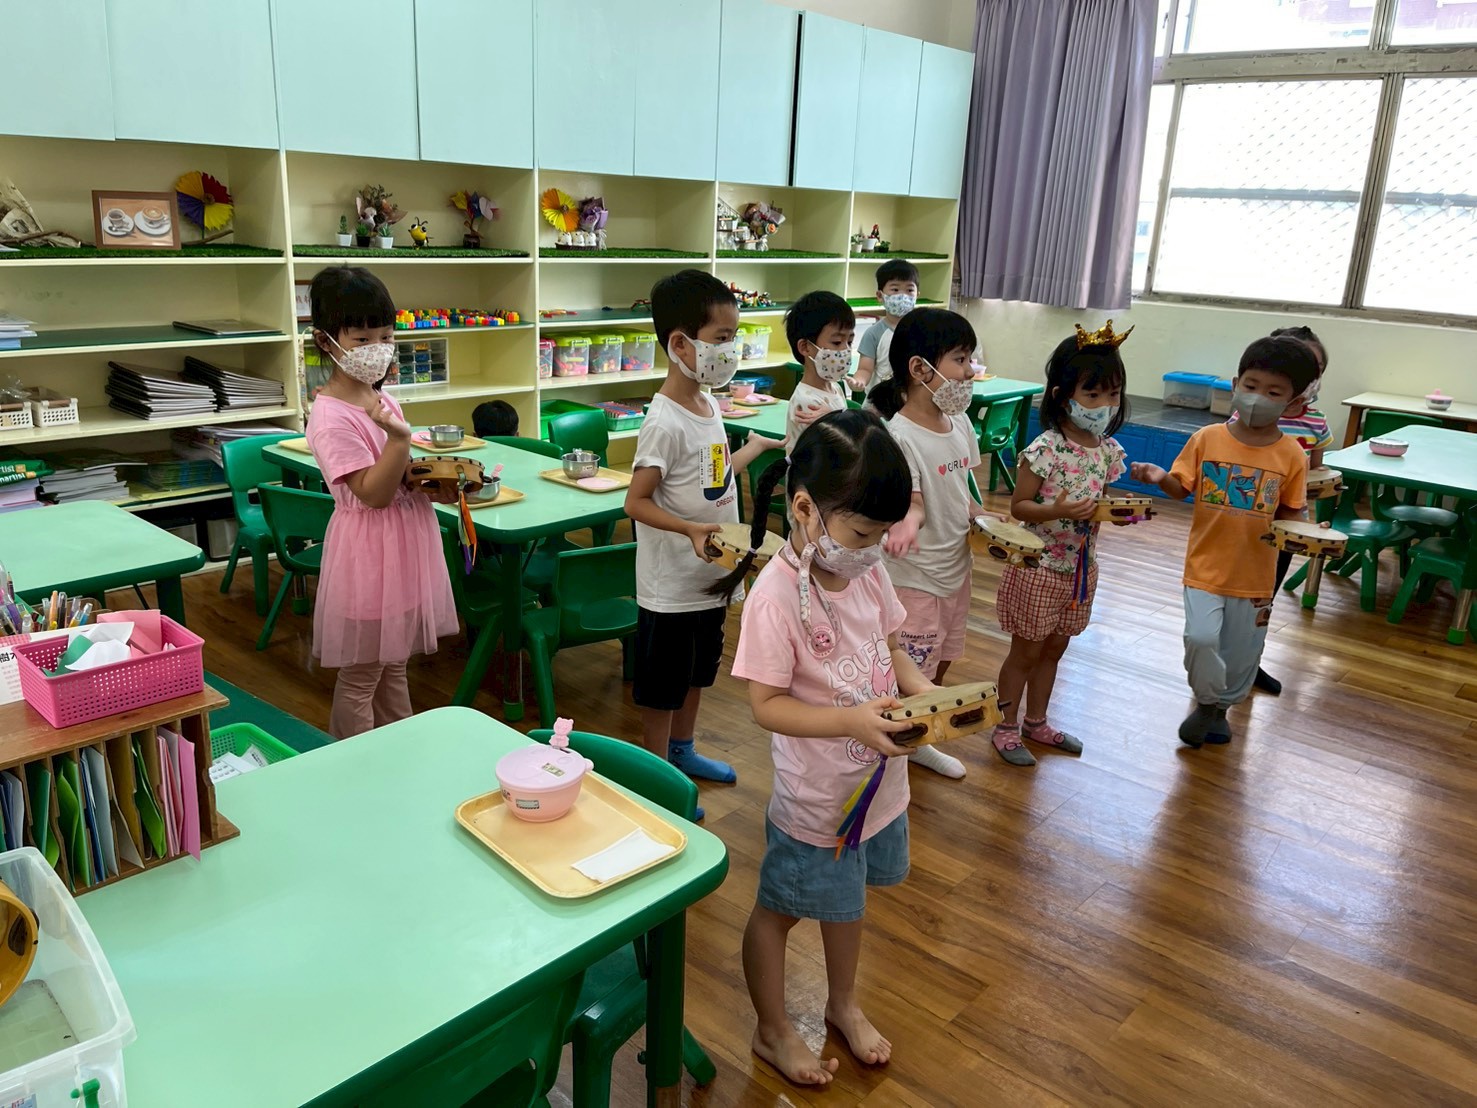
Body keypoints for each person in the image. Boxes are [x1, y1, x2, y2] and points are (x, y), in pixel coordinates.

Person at [723, 409, 932, 1087]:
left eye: (880, 534)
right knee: (779, 911)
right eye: (863, 533)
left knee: (849, 903)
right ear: (804, 508)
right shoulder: (775, 597)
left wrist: (927, 694)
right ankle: (771, 1029)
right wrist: (849, 723)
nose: (873, 548)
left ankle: (842, 1002)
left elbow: (893, 648)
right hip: (816, 802)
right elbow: (765, 706)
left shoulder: (865, 570)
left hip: (876, 786)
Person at [624, 270, 783, 811]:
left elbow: (710, 480)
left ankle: (683, 750)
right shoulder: (663, 421)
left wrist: (751, 450)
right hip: (670, 586)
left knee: (697, 672)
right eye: (722, 338)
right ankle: (656, 776)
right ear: (680, 344)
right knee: (662, 686)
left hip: (710, 576)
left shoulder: (710, 405)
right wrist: (689, 529)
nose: (731, 350)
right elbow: (636, 502)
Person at [1132, 335, 1319, 746]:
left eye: (1273, 393)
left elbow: (1291, 513)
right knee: (1199, 637)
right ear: (1236, 384)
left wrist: (1309, 533)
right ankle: (1205, 701)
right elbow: (1181, 487)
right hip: (1205, 567)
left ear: (1291, 403)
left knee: (1242, 651)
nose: (1258, 398)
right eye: (1251, 386)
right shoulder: (1207, 438)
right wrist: (1159, 477)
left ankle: (1220, 711)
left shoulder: (1292, 454)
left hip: (1256, 575)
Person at [304, 266, 456, 739]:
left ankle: (399, 749)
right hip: (370, 555)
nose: (378, 348)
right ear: (326, 341)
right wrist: (399, 440)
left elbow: (394, 475)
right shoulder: (329, 416)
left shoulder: (379, 398)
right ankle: (352, 762)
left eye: (386, 336)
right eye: (362, 338)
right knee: (362, 675)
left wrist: (427, 482)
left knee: (393, 663)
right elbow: (370, 494)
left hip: (402, 545)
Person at [991, 322, 1131, 766]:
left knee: (1055, 649)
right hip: (1038, 568)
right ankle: (1005, 726)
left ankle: (1036, 722)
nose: (1104, 405)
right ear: (1061, 395)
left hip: (1081, 571)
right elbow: (1019, 506)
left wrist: (1115, 512)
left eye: (1113, 394)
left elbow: (1099, 504)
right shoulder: (1046, 448)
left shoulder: (1107, 450)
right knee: (1025, 651)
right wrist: (1058, 510)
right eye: (1093, 394)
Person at [870, 308, 982, 779]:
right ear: (920, 368)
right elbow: (913, 502)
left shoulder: (960, 423)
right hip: (915, 578)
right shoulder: (899, 436)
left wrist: (983, 518)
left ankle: (922, 734)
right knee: (912, 667)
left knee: (944, 657)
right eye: (960, 359)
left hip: (956, 568)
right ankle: (910, 738)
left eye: (970, 359)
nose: (970, 372)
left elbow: (966, 489)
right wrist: (907, 523)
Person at [1250, 324, 1331, 696]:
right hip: (1245, 520)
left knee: (1266, 594)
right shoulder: (1253, 414)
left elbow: (1316, 472)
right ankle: (1222, 658)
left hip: (1287, 523)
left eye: (1314, 369)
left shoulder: (1315, 421)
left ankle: (1251, 660)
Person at [782, 291, 855, 448]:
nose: (846, 350)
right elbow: (840, 448)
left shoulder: (835, 387)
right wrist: (836, 420)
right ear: (805, 347)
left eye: (850, 341)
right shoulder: (807, 402)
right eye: (837, 342)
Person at [852, 260, 919, 396]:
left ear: (917, 295)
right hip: (880, 400)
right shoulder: (873, 333)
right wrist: (859, 381)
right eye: (895, 290)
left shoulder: (923, 331)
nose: (903, 296)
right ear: (880, 296)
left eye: (910, 290)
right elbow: (865, 369)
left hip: (913, 399)